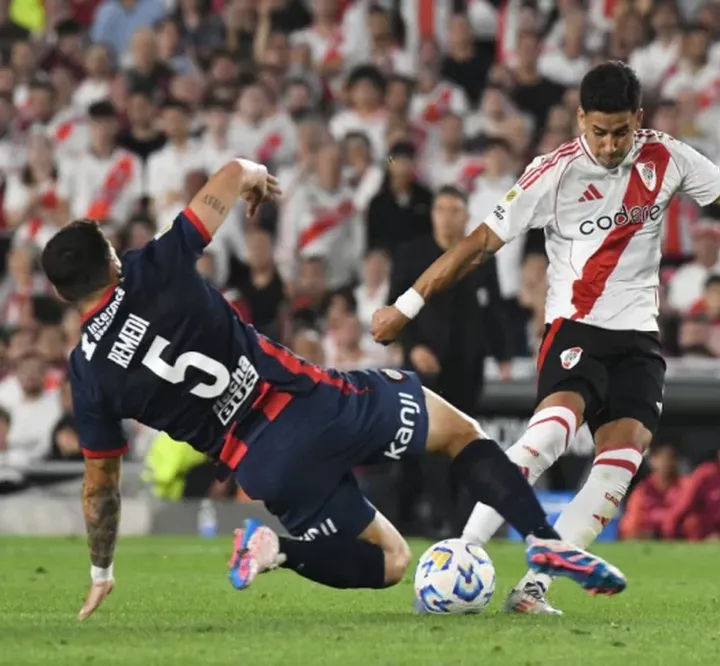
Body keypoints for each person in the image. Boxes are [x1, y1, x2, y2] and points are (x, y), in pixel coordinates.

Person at [371, 60, 720, 614]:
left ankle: (534, 588)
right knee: (549, 435)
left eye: (620, 130)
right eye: (598, 131)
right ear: (580, 119)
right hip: (576, 327)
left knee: (620, 463)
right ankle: (464, 550)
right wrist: (406, 306)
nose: (609, 143)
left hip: (638, 340)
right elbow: (479, 244)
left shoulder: (665, 156)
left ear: (637, 119)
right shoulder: (553, 173)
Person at [41, 159, 626, 623]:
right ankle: (545, 542)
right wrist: (253, 179)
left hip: (260, 464)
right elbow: (229, 172)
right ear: (112, 259)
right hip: (308, 404)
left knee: (392, 561)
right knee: (459, 432)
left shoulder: (88, 373)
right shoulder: (154, 267)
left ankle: (279, 550)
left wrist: (101, 571)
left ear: (65, 296)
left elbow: (100, 492)